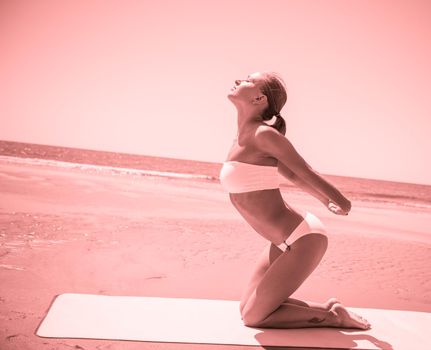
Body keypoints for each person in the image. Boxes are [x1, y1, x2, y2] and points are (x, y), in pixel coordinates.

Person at [219, 71, 371, 329]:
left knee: (253, 318)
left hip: (303, 239)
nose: (237, 80)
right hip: (282, 241)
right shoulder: (242, 138)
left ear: (259, 98)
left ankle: (332, 318)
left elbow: (304, 170)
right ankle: (332, 310)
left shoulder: (264, 135)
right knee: (246, 310)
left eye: (247, 80)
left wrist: (340, 201)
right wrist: (323, 201)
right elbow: (291, 176)